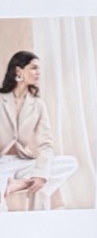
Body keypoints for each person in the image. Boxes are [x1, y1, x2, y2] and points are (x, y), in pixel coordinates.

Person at [1, 51, 53, 211]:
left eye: (39, 68)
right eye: (33, 68)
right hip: (2, 162)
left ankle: (21, 183)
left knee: (68, 163)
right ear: (19, 71)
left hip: (23, 161)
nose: (38, 72)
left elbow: (46, 144)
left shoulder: (38, 105)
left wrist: (41, 174)